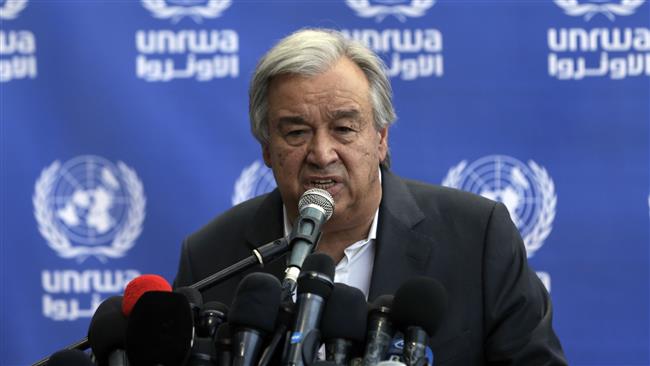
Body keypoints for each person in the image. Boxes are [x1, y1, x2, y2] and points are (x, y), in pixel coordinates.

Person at [174, 28, 567, 365]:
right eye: (296, 133)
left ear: (380, 138)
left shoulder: (478, 238)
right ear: (265, 148)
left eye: (344, 128)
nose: (322, 154)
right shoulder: (212, 257)